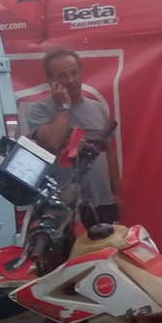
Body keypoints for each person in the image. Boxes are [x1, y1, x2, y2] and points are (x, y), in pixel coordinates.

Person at [26, 46, 122, 223]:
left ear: (81, 73)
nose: (71, 80)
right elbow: (53, 143)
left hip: (102, 203)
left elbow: (110, 154)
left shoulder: (97, 108)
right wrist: (65, 105)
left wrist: (116, 194)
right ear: (50, 80)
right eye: (62, 75)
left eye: (74, 72)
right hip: (62, 207)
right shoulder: (40, 110)